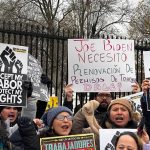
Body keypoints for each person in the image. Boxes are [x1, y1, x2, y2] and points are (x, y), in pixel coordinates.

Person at [72, 98, 141, 150]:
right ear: (109, 115)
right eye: (115, 110)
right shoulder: (95, 131)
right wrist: (83, 112)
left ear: (130, 117)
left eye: (123, 110)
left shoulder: (141, 134)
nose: (119, 112)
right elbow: (76, 133)